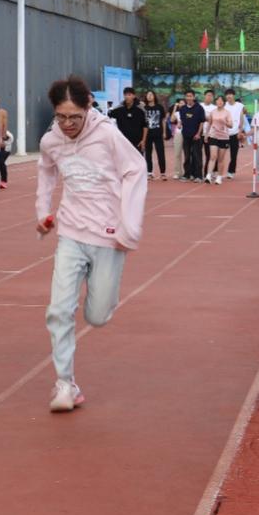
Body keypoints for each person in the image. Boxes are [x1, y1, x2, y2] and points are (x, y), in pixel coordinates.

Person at [36, 76, 146, 412]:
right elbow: (46, 172)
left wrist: (129, 226)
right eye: (61, 117)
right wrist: (43, 212)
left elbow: (136, 170)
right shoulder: (51, 141)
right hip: (71, 233)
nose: (68, 124)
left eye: (75, 117)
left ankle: (100, 303)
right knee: (59, 310)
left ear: (88, 108)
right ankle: (65, 383)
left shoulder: (107, 135)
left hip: (109, 237)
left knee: (97, 316)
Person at [203, 95, 233, 185]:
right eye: (218, 100)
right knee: (213, 156)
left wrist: (225, 122)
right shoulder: (212, 112)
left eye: (221, 101)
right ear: (216, 102)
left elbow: (231, 125)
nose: (219, 102)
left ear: (224, 102)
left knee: (220, 159)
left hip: (224, 137)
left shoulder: (227, 113)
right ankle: (208, 175)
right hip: (213, 136)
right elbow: (209, 123)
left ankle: (219, 177)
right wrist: (206, 134)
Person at [108, 87, 147, 157]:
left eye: (129, 95)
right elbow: (108, 116)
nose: (127, 97)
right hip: (123, 142)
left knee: (138, 162)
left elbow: (145, 125)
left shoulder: (140, 109)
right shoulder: (119, 108)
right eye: (125, 95)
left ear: (134, 96)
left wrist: (143, 141)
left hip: (137, 143)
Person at [176, 90, 205, 181]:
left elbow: (202, 122)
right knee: (187, 156)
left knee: (197, 156)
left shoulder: (199, 108)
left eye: (190, 96)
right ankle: (187, 174)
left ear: (194, 97)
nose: (189, 98)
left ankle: (198, 175)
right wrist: (179, 124)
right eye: (187, 96)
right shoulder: (183, 109)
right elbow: (181, 119)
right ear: (185, 97)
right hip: (186, 135)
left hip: (196, 136)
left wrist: (198, 133)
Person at [140, 90, 167, 180]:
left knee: (161, 153)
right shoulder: (144, 108)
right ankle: (149, 173)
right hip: (147, 134)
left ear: (154, 96)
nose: (149, 96)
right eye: (148, 95)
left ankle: (163, 173)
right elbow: (142, 123)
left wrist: (164, 132)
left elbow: (163, 120)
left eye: (151, 94)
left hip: (158, 133)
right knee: (148, 154)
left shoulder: (159, 107)